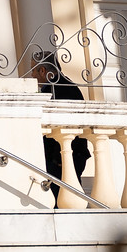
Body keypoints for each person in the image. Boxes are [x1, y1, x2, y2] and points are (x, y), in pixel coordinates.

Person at [31, 52, 88, 191]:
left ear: (43, 70)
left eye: (33, 70)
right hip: (66, 155)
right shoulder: (66, 85)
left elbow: (67, 121)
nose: (32, 75)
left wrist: (59, 157)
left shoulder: (57, 89)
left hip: (61, 157)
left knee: (65, 199)